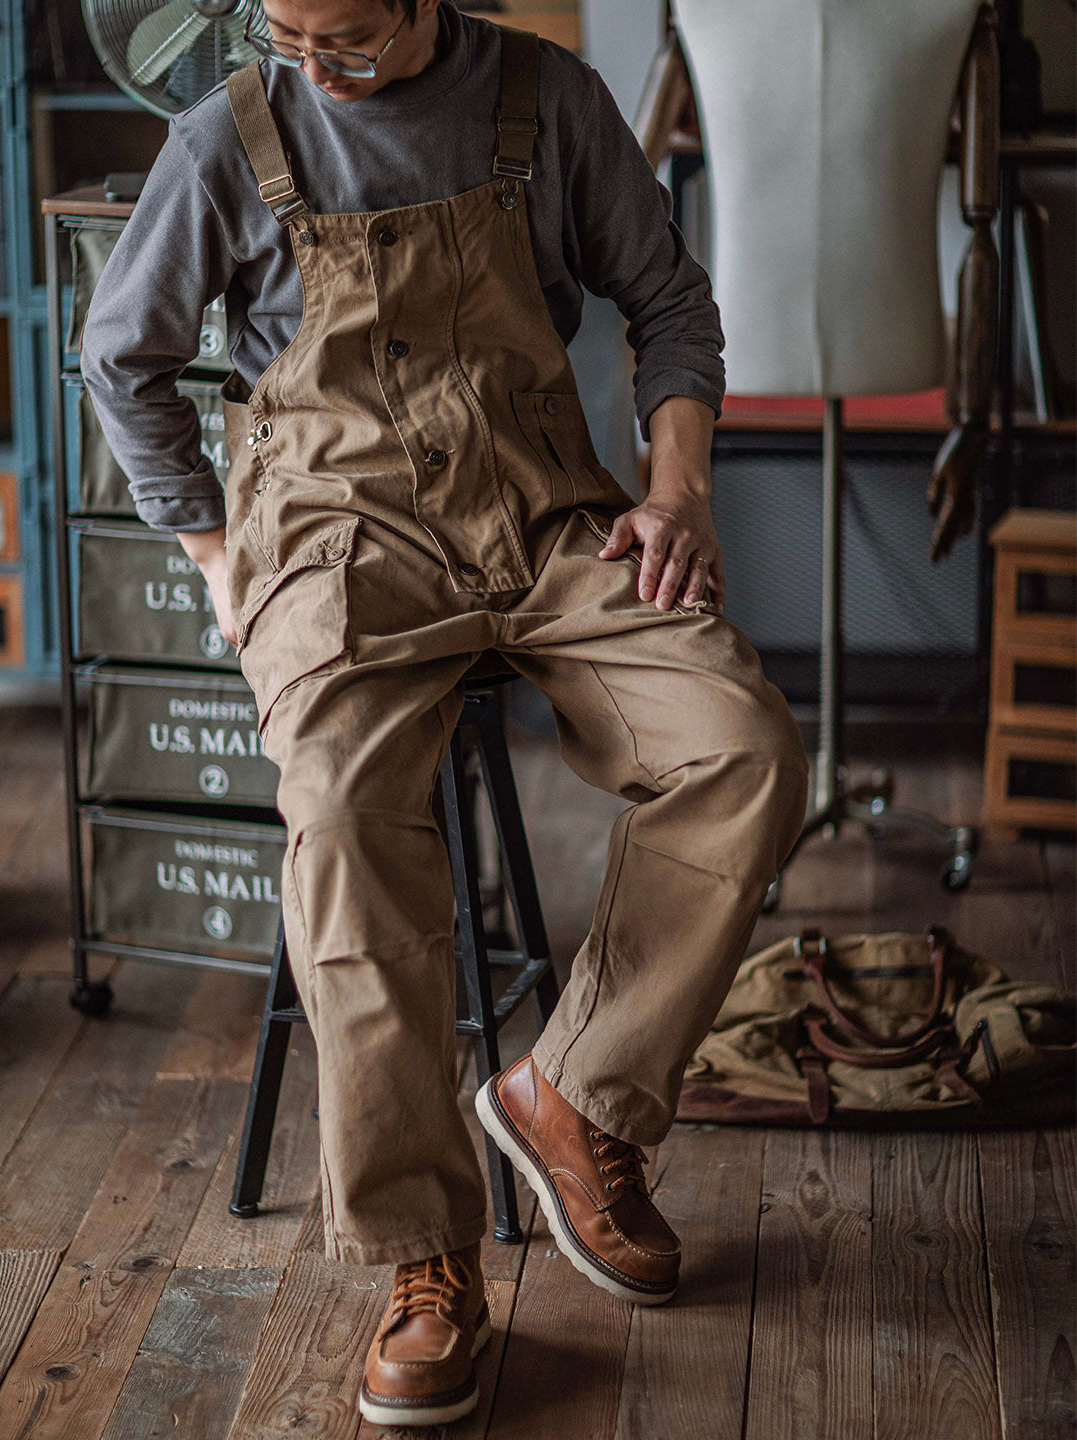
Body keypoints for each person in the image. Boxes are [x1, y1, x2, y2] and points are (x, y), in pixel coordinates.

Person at [80, 0, 810, 1426]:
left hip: (545, 518)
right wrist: (219, 558)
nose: (311, 64)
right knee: (348, 819)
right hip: (333, 541)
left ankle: (578, 1098)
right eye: (285, 29)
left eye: (344, 34)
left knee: (744, 745)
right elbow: (125, 362)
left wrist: (675, 494)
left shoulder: (545, 101)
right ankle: (430, 1263)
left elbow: (668, 304)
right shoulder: (227, 137)